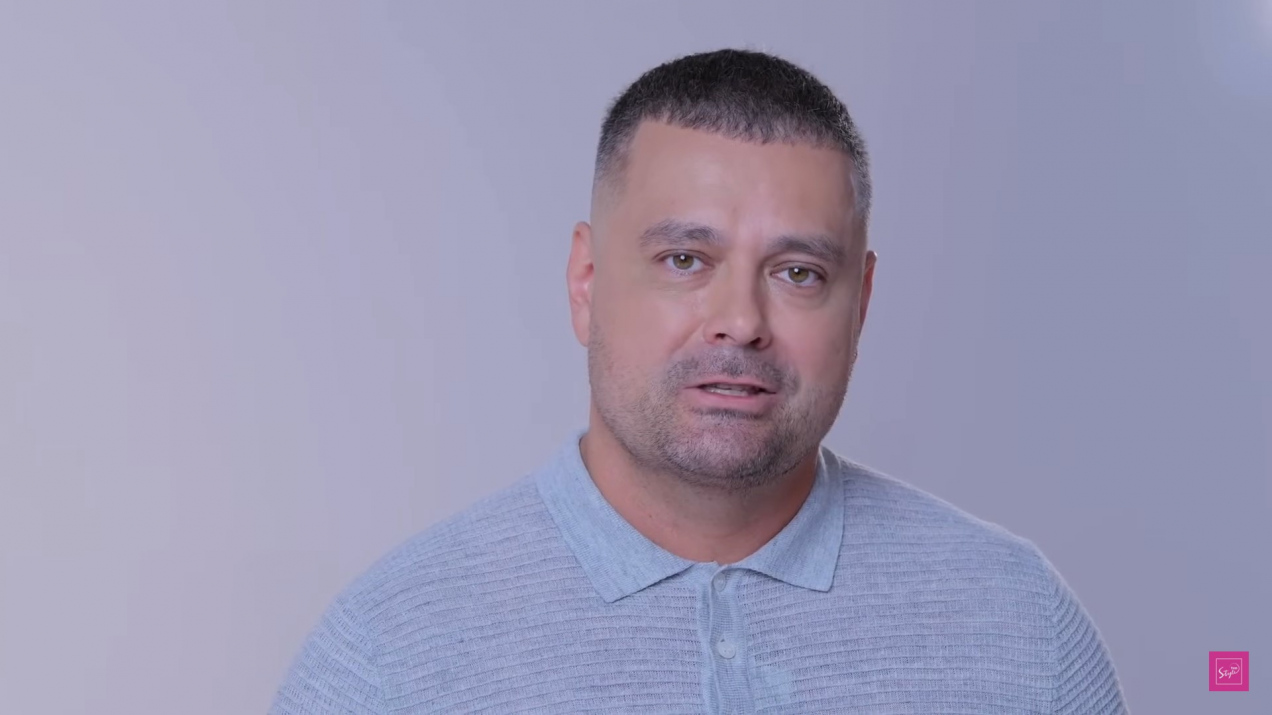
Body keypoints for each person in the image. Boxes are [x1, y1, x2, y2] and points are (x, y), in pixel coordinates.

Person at [269, 48, 1127, 714]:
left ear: (861, 305)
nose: (740, 320)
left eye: (798, 273)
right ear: (586, 282)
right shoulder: (389, 654)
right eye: (685, 259)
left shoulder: (1020, 626)